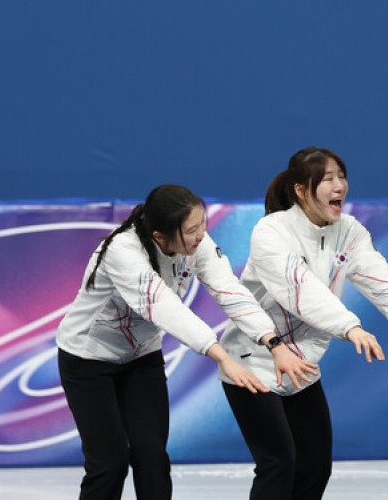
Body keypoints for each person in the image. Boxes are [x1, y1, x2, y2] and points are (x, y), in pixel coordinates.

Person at [57, 183, 314, 499]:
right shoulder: (123, 252)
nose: (201, 235)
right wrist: (221, 356)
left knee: (152, 457)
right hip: (87, 359)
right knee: (109, 462)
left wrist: (273, 342)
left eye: (203, 224)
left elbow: (229, 290)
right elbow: (165, 308)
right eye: (191, 230)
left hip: (140, 359)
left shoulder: (198, 244)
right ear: (160, 237)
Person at [218, 146, 388, 499]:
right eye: (327, 179)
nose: (339, 185)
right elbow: (301, 290)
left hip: (304, 367)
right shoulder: (271, 232)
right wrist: (350, 327)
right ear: (300, 189)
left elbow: (381, 281)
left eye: (342, 177)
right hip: (255, 363)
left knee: (314, 467)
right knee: (278, 464)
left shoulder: (349, 230)